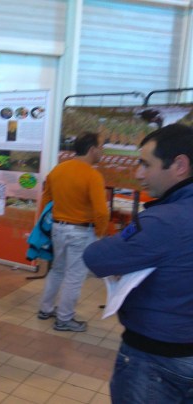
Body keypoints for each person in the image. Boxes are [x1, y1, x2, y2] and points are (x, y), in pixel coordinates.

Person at [83, 124, 193, 403]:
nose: (138, 174)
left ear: (180, 165)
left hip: (157, 358)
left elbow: (96, 257)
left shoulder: (164, 220)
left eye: (146, 164)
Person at [37, 133, 109, 332]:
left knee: (57, 270)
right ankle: (64, 319)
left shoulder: (58, 170)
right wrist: (101, 233)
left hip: (57, 228)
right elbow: (101, 211)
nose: (102, 152)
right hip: (81, 231)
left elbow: (46, 201)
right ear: (92, 149)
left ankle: (45, 309)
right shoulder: (92, 175)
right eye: (101, 148)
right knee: (74, 276)